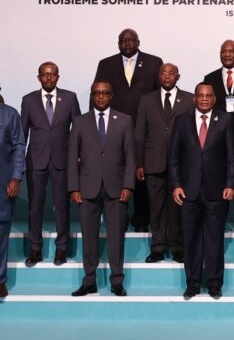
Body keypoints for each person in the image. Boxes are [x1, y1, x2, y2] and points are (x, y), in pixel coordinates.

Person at [168, 83, 234, 299]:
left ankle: (214, 283)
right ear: (194, 98)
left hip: (217, 192)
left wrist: (231, 184)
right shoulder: (182, 121)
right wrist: (176, 185)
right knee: (191, 239)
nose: (204, 99)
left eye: (208, 95)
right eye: (200, 95)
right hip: (188, 192)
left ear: (215, 99)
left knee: (214, 239)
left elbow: (232, 157)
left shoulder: (225, 120)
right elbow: (173, 157)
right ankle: (193, 283)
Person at [68, 81, 135, 297]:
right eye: (97, 93)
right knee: (89, 236)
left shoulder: (124, 121)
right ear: (92, 95)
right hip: (87, 188)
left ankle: (117, 280)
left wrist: (128, 184)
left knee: (116, 236)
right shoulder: (79, 122)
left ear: (111, 95)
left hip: (117, 188)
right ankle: (89, 280)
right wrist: (73, 188)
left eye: (105, 93)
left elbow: (130, 157)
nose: (101, 97)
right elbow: (71, 159)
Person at [94, 28, 163, 232]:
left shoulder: (154, 62)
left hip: (146, 130)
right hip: (114, 129)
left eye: (131, 40)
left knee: (142, 175)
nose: (127, 43)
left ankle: (142, 221)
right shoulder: (106, 64)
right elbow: (97, 92)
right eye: (123, 40)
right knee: (117, 174)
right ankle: (118, 220)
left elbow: (161, 95)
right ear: (118, 43)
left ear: (138, 41)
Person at [20, 61, 81, 267]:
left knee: (62, 207)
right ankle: (35, 249)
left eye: (52, 74)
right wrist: (19, 163)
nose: (48, 78)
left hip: (61, 161)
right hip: (36, 161)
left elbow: (79, 130)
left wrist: (76, 157)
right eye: (45, 75)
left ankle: (61, 249)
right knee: (35, 207)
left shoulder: (70, 98)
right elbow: (22, 133)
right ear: (38, 77)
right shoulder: (28, 100)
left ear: (58, 77)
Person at [135, 63, 194, 264]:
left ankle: (178, 247)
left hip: (182, 163)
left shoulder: (188, 99)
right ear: (158, 76)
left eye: (171, 73)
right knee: (156, 207)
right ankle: (158, 247)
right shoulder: (147, 99)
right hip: (153, 162)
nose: (167, 76)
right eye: (163, 73)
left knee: (178, 206)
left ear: (178, 77)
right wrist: (139, 162)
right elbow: (139, 133)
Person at [204, 39, 234, 231]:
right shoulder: (210, 77)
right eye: (223, 51)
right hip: (218, 138)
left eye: (231, 51)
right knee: (218, 180)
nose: (227, 54)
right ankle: (218, 223)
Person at [0, 102, 25, 298]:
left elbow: (18, 145)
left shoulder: (9, 114)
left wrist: (16, 177)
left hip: (3, 183)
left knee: (1, 231)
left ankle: (0, 279)